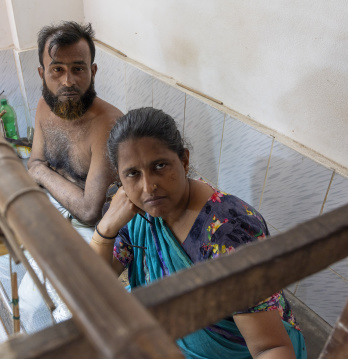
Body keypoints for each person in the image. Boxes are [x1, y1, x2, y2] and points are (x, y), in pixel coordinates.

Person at [90, 107, 307, 359]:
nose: (149, 187)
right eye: (133, 174)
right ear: (120, 177)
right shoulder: (136, 214)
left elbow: (271, 348)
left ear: (184, 161)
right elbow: (91, 290)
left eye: (160, 166)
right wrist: (105, 229)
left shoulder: (230, 233)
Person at [28, 21, 122, 231]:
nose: (68, 81)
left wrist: (41, 172)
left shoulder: (108, 124)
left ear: (93, 71)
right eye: (57, 69)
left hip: (97, 230)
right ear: (42, 74)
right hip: (52, 204)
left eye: (78, 69)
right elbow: (34, 161)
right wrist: (38, 169)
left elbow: (91, 212)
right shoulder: (44, 106)